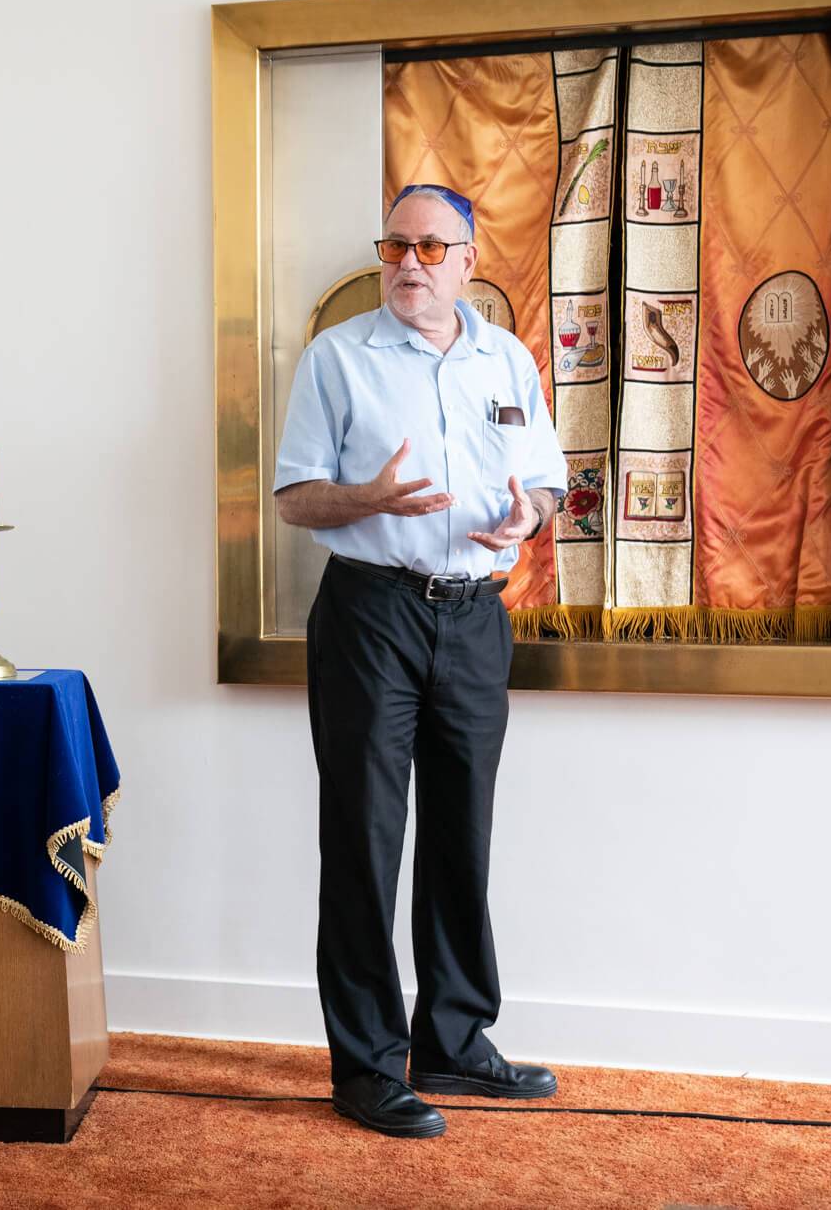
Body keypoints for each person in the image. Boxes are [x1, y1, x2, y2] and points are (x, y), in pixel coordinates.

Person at [273, 184, 568, 1139]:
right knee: (364, 836)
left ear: (469, 260)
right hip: (372, 615)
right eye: (396, 245)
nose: (409, 263)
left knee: (460, 830)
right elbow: (294, 498)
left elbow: (549, 480)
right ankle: (366, 1063)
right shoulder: (337, 357)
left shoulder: (507, 357)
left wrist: (531, 515)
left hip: (477, 617)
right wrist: (367, 498)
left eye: (432, 248)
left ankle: (454, 1038)